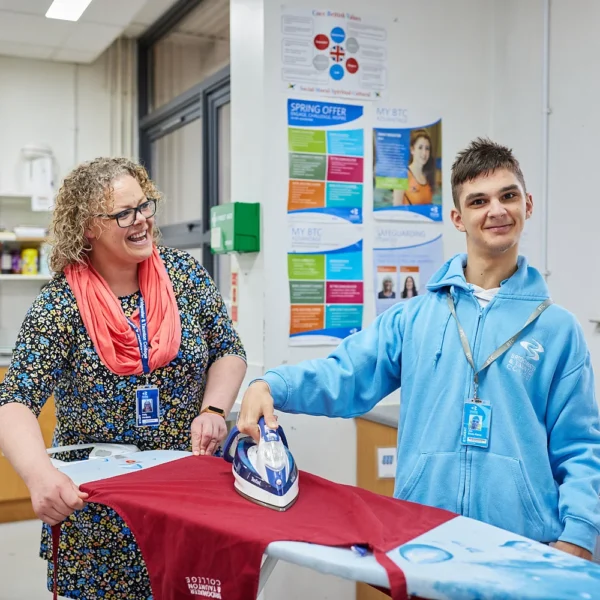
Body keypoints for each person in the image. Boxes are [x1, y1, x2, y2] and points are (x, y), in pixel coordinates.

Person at [238, 138, 600, 561]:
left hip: (522, 547)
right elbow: (346, 373)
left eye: (508, 196)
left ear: (528, 204)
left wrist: (578, 535)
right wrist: (271, 385)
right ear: (458, 218)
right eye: (478, 201)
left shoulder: (558, 329)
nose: (496, 210)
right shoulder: (414, 318)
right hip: (424, 539)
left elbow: (579, 446)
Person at [0, 157, 247, 599]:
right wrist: (39, 476)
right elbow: (14, 399)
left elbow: (227, 350)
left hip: (184, 502)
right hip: (98, 521)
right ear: (89, 227)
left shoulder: (184, 277)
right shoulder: (60, 304)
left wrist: (213, 409)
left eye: (145, 206)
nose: (142, 222)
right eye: (124, 214)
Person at [393, 128, 436, 206]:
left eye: (427, 148)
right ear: (412, 150)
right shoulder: (403, 175)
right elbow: (396, 210)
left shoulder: (428, 177)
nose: (424, 153)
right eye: (420, 147)